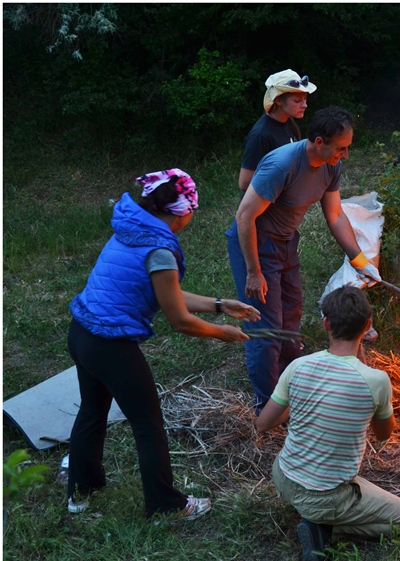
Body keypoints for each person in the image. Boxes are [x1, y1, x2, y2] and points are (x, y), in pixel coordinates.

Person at [66, 169, 261, 520]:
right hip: (111, 344)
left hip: (82, 332)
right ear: (183, 210)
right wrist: (222, 333)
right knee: (148, 423)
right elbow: (180, 320)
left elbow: (166, 292)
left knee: (93, 411)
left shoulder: (135, 228)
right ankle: (166, 505)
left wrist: (220, 305)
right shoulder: (159, 248)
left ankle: (81, 493)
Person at [226, 106, 381, 415]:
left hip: (286, 242)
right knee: (266, 326)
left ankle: (287, 389)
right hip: (257, 243)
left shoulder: (329, 165)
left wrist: (360, 260)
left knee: (291, 315)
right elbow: (244, 216)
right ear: (320, 141)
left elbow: (335, 216)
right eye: (341, 148)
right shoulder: (283, 165)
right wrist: (254, 272)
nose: (346, 155)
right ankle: (267, 406)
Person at [256, 285, 400, 561]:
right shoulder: (376, 381)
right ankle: (326, 529)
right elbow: (383, 435)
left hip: (284, 477)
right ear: (367, 326)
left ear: (325, 323)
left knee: (356, 485)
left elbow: (263, 423)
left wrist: (301, 401)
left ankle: (314, 516)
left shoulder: (298, 366)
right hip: (327, 498)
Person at [238, 69, 317, 193]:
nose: (304, 105)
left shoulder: (288, 122)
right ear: (278, 100)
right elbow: (244, 183)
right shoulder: (261, 134)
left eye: (304, 99)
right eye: (297, 100)